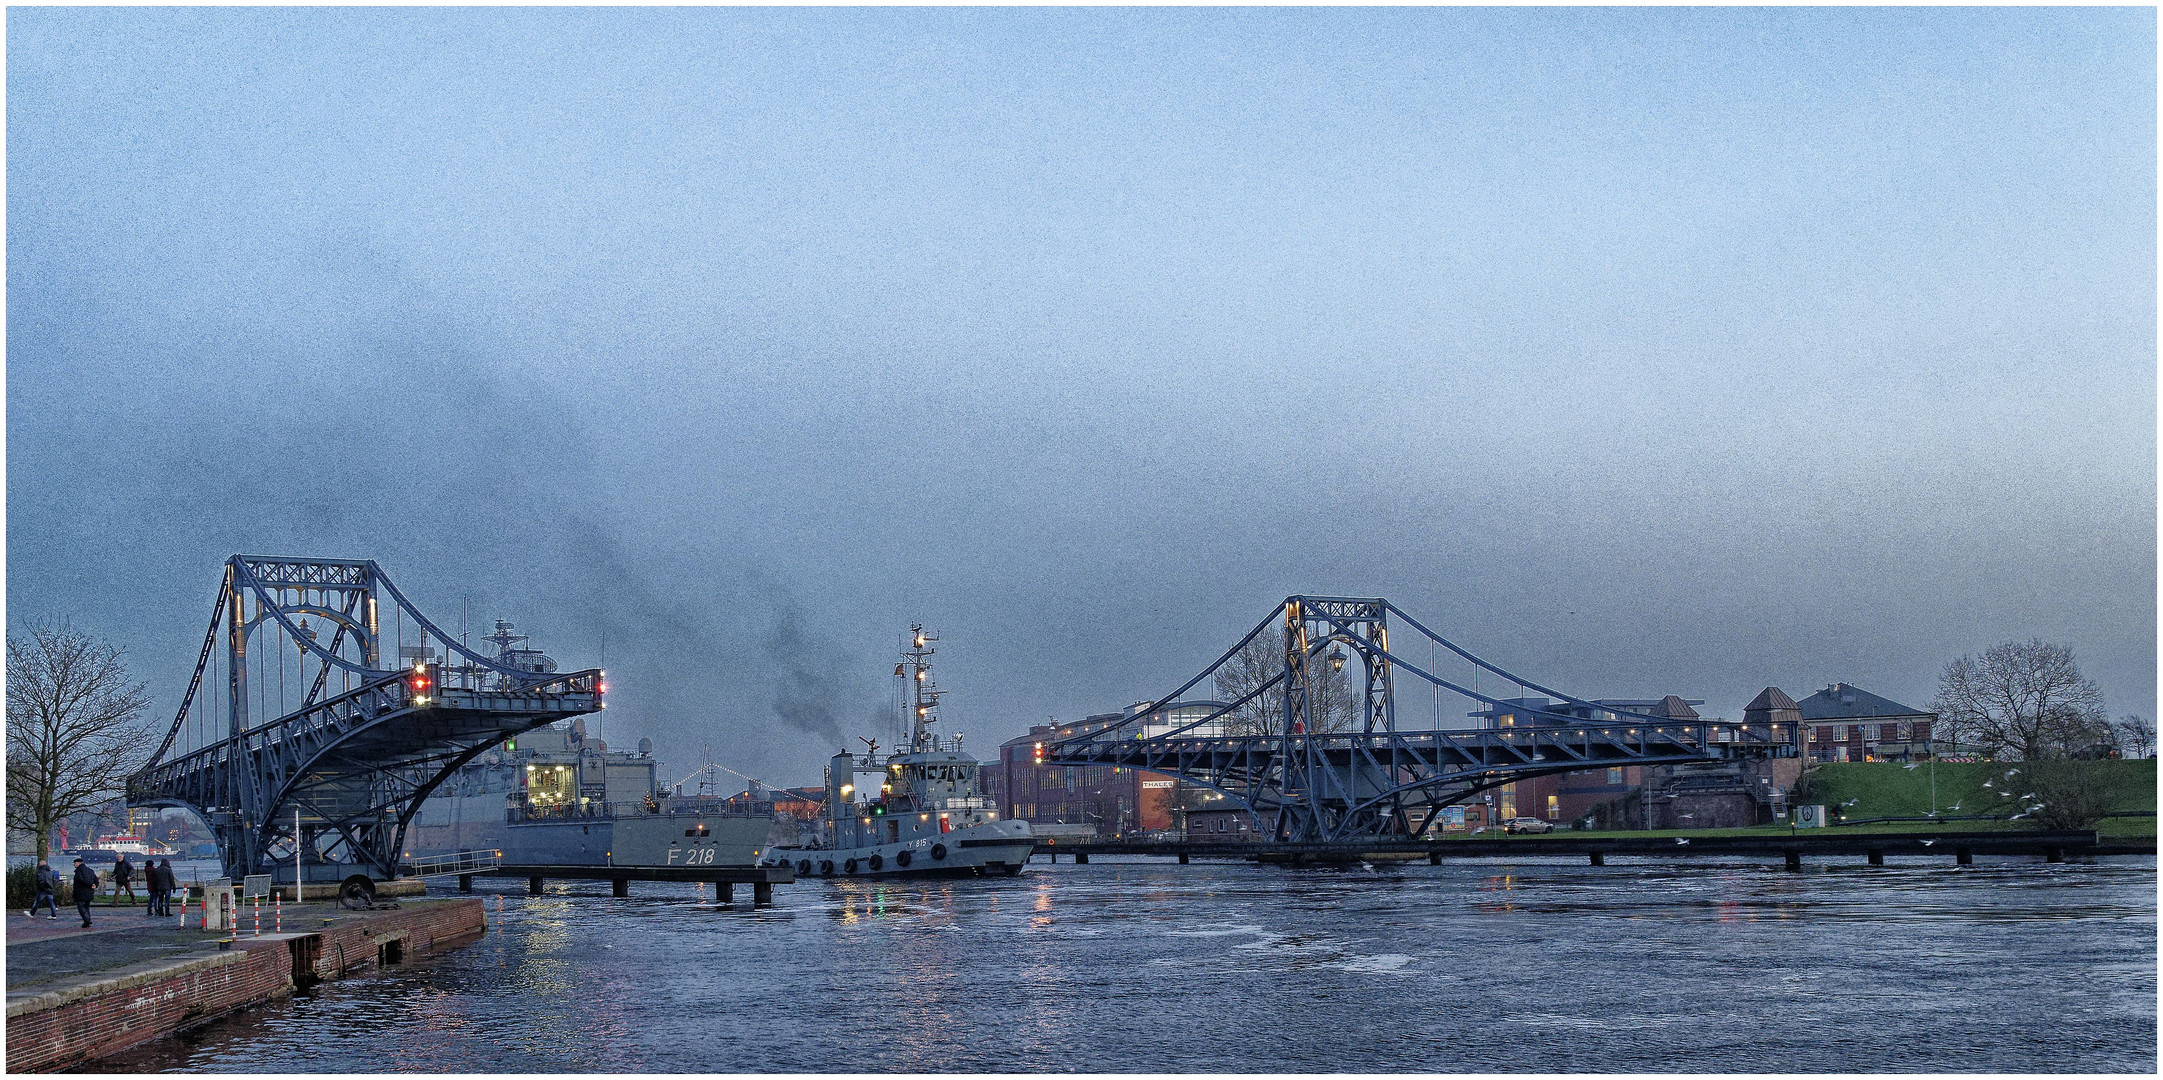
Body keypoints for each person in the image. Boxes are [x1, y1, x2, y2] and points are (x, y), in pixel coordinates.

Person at [71, 859, 100, 928]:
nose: (74, 865)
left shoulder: (78, 871)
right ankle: (87, 919)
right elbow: (96, 879)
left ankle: (87, 920)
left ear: (78, 863)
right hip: (89, 892)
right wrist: (94, 885)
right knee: (86, 907)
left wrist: (89, 884)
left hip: (80, 892)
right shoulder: (90, 870)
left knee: (81, 907)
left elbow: (81, 880)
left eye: (74, 863)